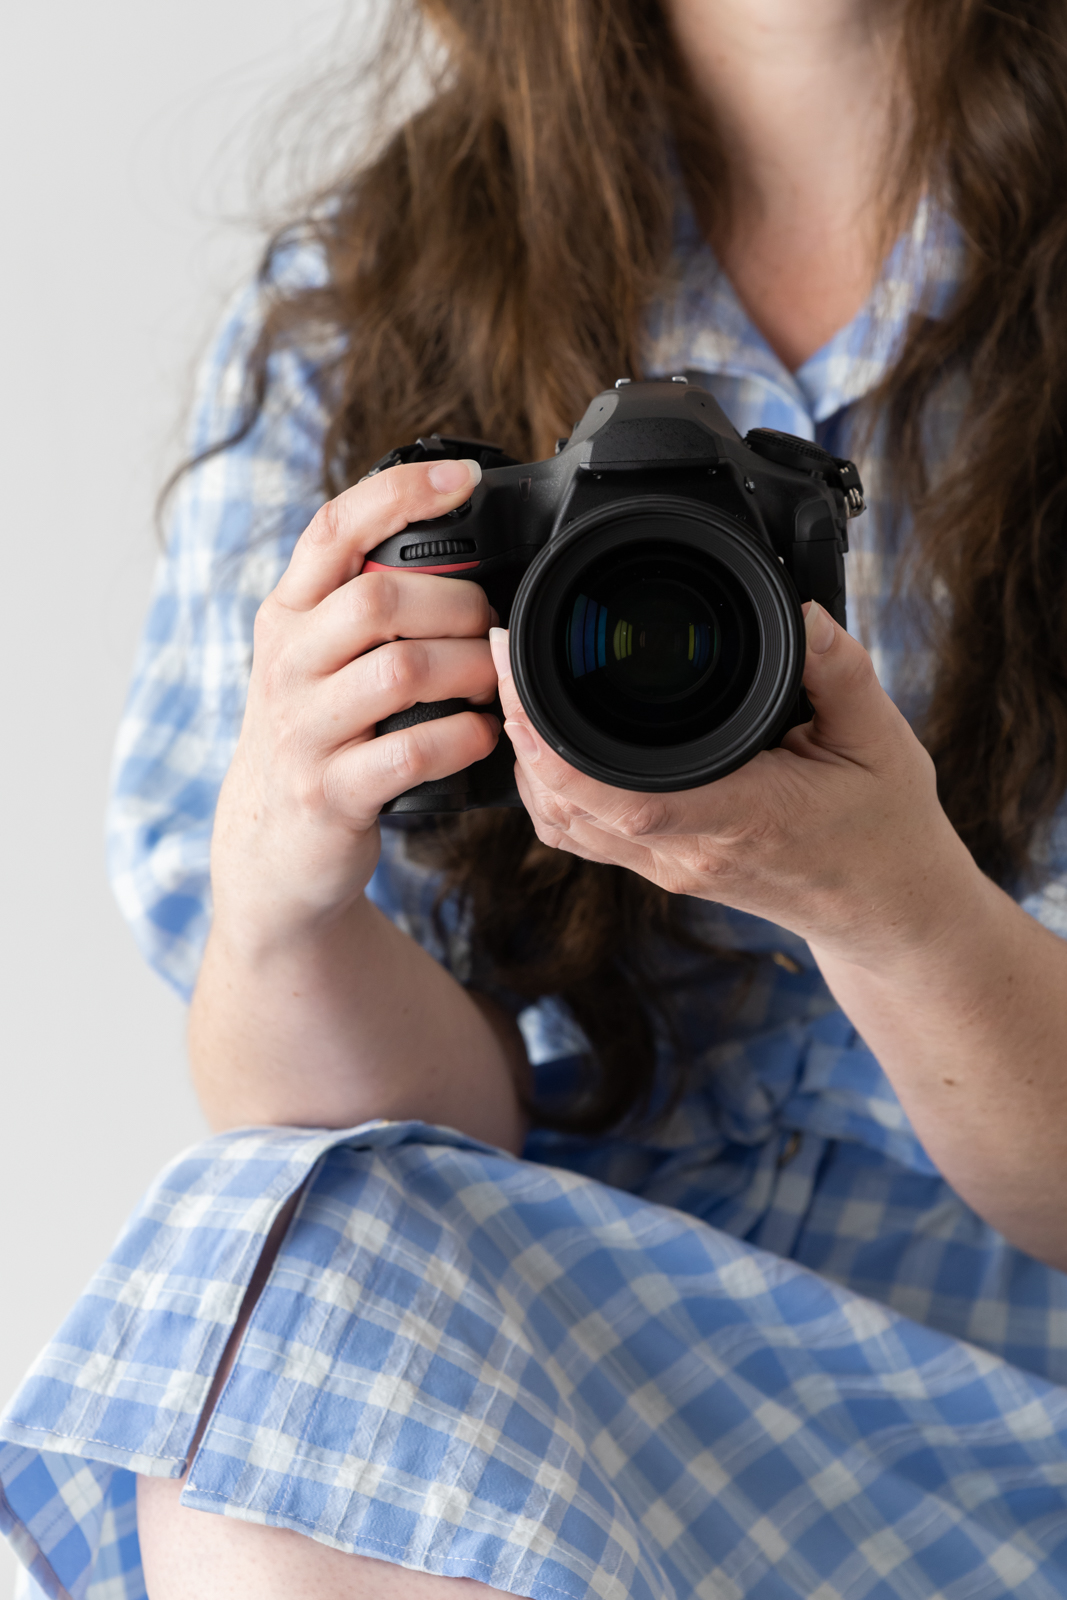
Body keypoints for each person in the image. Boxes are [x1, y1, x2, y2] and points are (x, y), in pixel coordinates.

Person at [3, 0, 1067, 1596]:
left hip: (1004, 1429)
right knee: (293, 1284)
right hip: (554, 1428)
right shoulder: (374, 301)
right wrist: (290, 885)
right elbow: (398, 1138)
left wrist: (896, 908)